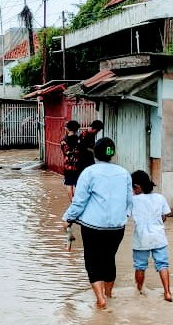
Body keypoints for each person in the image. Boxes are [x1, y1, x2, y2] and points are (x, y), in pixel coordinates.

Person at [62, 137, 132, 309]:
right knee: (109, 259)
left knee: (92, 261)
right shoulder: (124, 173)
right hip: (117, 227)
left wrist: (67, 218)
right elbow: (129, 201)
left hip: (93, 227)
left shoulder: (89, 173)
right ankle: (109, 294)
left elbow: (79, 202)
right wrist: (123, 217)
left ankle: (100, 299)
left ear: (95, 153)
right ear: (112, 153)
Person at [129, 170, 172, 302]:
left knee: (140, 266)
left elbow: (125, 215)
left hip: (141, 238)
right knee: (163, 265)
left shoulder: (133, 200)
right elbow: (164, 216)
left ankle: (140, 290)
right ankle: (167, 292)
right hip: (158, 237)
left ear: (137, 186)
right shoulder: (160, 198)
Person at [60, 120, 82, 200]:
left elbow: (64, 152)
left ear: (68, 129)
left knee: (69, 184)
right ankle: (77, 202)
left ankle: (72, 203)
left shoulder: (63, 141)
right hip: (78, 165)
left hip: (68, 166)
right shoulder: (79, 140)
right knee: (78, 184)